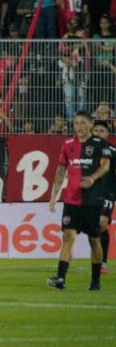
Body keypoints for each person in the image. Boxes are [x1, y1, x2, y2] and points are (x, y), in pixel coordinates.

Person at [48, 111, 112, 291]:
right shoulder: (68, 144)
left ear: (91, 124)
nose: (79, 126)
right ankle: (60, 278)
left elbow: (106, 165)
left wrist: (92, 178)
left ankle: (95, 281)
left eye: (83, 123)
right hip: (71, 200)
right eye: (76, 123)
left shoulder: (100, 144)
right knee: (68, 237)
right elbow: (61, 170)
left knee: (94, 240)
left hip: (93, 201)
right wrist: (54, 196)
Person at [92, 120, 116, 274]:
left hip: (108, 192)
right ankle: (98, 259)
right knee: (94, 228)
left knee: (102, 225)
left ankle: (103, 263)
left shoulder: (113, 151)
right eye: (96, 130)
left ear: (107, 134)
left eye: (101, 131)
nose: (98, 133)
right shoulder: (86, 150)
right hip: (91, 193)